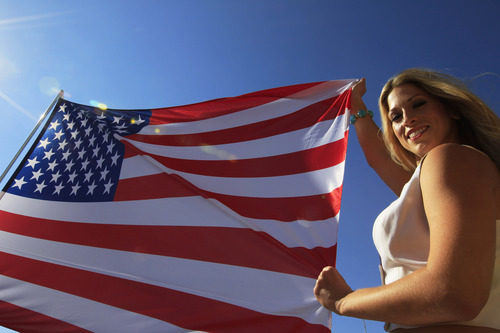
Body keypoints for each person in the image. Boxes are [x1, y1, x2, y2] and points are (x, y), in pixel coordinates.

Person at [314, 68, 500, 332]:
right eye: (396, 117)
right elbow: (378, 158)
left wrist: (345, 301)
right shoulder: (442, 174)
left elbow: (454, 293)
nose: (408, 120)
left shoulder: (451, 158)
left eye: (418, 104)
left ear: (452, 109)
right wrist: (357, 108)